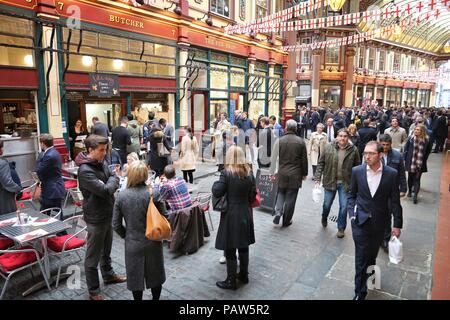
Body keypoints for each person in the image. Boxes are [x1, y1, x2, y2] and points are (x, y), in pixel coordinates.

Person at [348, 141, 402, 300]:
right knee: (360, 257)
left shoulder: (391, 174)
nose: (367, 156)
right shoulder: (357, 171)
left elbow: (395, 201)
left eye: (371, 153)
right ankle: (360, 292)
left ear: (380, 155)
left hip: (380, 223)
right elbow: (351, 195)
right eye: (365, 153)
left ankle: (371, 276)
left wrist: (397, 224)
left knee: (371, 255)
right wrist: (352, 214)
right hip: (360, 222)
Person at [75, 134, 125, 300]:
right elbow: (105, 190)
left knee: (107, 250)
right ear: (90, 150)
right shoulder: (85, 170)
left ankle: (109, 275)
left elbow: (113, 175)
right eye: (101, 150)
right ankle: (94, 290)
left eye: (105, 150)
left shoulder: (99, 161)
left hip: (106, 212)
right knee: (92, 256)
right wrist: (111, 181)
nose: (105, 153)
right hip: (95, 217)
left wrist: (111, 180)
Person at [113, 161, 166, 300]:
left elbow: (116, 224)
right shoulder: (153, 193)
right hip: (153, 241)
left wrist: (127, 235)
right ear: (145, 175)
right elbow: (165, 215)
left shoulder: (121, 196)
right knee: (156, 276)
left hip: (132, 242)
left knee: (135, 278)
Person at [212, 146, 257, 290]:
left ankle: (231, 281)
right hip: (245, 212)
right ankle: (244, 275)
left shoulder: (226, 173)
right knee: (243, 246)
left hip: (231, 214)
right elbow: (252, 196)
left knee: (230, 247)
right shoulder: (250, 174)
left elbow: (217, 191)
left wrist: (216, 182)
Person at [314, 128, 360, 238]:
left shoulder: (353, 150)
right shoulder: (328, 147)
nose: (342, 138)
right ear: (337, 137)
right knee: (326, 204)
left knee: (344, 206)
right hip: (330, 180)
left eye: (345, 136)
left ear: (348, 137)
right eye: (340, 136)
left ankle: (341, 228)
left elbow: (357, 166)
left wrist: (357, 183)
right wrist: (317, 177)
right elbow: (321, 163)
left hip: (345, 183)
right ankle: (324, 217)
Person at [270, 120, 308, 227]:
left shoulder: (279, 141)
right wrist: (304, 173)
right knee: (291, 197)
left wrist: (272, 172)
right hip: (295, 173)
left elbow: (273, 158)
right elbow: (304, 160)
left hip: (282, 172)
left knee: (280, 193)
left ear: (286, 128)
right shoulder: (301, 142)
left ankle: (278, 212)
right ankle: (286, 220)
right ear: (295, 129)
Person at [378, 134, 407, 252]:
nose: (385, 147)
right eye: (383, 145)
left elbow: (401, 174)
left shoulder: (397, 156)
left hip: (392, 190)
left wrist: (403, 189)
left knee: (388, 214)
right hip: (377, 190)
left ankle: (385, 239)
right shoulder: (374, 154)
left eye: (387, 145)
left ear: (391, 144)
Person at [403, 124, 432, 204]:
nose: (415, 131)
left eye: (418, 130)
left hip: (420, 162)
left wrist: (424, 160)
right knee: (410, 178)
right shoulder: (411, 138)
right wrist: (404, 159)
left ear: (422, 131)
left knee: (417, 178)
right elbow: (406, 149)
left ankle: (415, 195)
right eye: (415, 129)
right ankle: (409, 191)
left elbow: (428, 151)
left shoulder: (427, 140)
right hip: (410, 161)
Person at [36, 134, 65, 211]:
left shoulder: (48, 155)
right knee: (55, 211)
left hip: (52, 189)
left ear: (42, 143)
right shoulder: (54, 152)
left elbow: (39, 169)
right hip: (54, 187)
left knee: (49, 212)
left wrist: (39, 158)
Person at [0, 140, 22, 215]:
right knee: (7, 221)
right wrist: (18, 189)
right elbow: (7, 182)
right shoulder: (2, 163)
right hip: (4, 200)